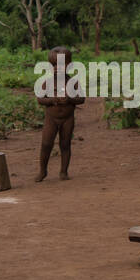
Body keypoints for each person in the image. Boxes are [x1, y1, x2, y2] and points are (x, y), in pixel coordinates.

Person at [37, 46, 83, 181]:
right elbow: (40, 99)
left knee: (65, 144)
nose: (57, 68)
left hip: (67, 119)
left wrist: (69, 99)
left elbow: (81, 99)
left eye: (61, 64)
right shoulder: (47, 82)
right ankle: (42, 171)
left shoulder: (73, 82)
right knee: (46, 144)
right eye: (53, 65)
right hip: (51, 118)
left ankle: (63, 171)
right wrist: (52, 100)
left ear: (69, 66)